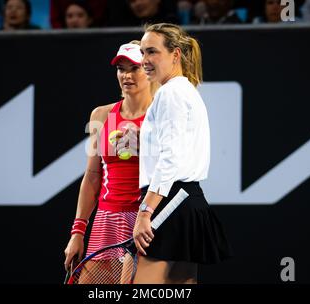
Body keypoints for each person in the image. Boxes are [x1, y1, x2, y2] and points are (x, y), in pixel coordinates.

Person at [133, 23, 232, 284]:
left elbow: (171, 157)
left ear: (175, 55)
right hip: (188, 201)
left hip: (167, 203)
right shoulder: (186, 90)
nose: (145, 60)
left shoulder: (170, 93)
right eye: (142, 52)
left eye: (152, 52)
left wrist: (145, 211)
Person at [63, 41, 159, 282]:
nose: (126, 75)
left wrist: (146, 144)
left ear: (148, 70)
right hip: (106, 220)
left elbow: (172, 171)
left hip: (143, 220)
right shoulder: (101, 115)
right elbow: (93, 176)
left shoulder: (160, 116)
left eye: (134, 68)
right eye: (121, 69)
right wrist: (78, 232)